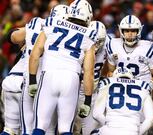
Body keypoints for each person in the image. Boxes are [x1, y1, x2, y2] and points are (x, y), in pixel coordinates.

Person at [28, 0, 95, 134]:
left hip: (49, 74)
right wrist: (87, 99)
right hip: (71, 79)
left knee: (40, 124)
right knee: (65, 128)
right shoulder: (89, 35)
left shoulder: (51, 24)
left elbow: (35, 54)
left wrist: (32, 80)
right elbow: (88, 72)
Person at [106, 15, 153, 91]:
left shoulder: (148, 47)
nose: (130, 34)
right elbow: (111, 72)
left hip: (141, 92)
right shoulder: (113, 45)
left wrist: (147, 89)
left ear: (139, 31)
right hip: (120, 91)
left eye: (133, 31)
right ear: (121, 31)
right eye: (127, 31)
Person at [92, 67, 153, 135]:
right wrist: (137, 132)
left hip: (110, 130)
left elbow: (96, 114)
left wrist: (110, 125)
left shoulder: (107, 83)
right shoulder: (143, 86)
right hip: (132, 131)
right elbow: (151, 119)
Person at [77, 20, 108, 135]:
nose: (95, 45)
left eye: (98, 41)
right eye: (93, 41)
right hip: (73, 91)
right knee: (68, 128)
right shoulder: (78, 41)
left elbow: (111, 68)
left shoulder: (108, 45)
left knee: (90, 131)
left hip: (93, 93)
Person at [0, 28, 25, 135]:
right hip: (26, 84)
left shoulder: (37, 24)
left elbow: (11, 35)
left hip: (10, 80)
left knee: (9, 129)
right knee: (29, 129)